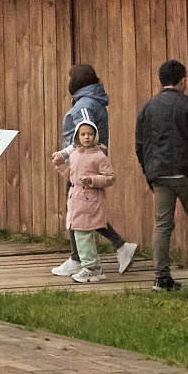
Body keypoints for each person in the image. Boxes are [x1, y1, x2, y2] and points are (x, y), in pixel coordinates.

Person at [134, 60, 188, 289]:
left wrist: (149, 174)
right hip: (187, 173)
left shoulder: (148, 107)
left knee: (163, 224)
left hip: (160, 174)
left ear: (161, 80)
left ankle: (162, 276)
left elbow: (140, 144)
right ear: (183, 80)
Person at [51, 66, 124, 278]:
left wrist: (65, 154)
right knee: (83, 214)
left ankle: (82, 261)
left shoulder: (85, 104)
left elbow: (85, 129)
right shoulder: (90, 100)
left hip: (83, 165)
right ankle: (115, 247)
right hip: (81, 163)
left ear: (77, 81)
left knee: (79, 214)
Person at [53, 120, 120, 284]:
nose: (86, 137)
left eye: (90, 134)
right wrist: (61, 165)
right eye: (83, 134)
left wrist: (92, 180)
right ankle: (94, 267)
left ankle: (89, 267)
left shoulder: (99, 156)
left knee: (83, 234)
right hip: (76, 200)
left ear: (95, 136)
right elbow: (71, 176)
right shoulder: (75, 154)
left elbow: (110, 178)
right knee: (80, 233)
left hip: (91, 202)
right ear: (77, 136)